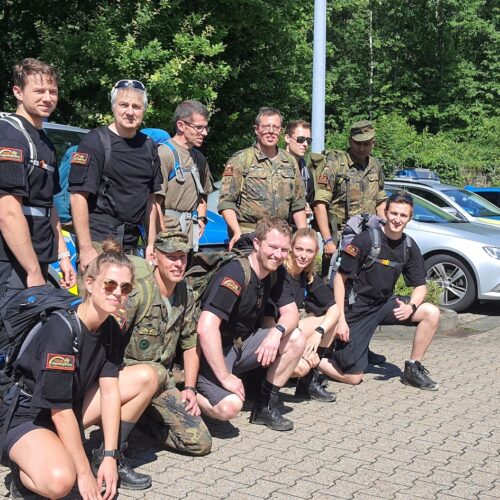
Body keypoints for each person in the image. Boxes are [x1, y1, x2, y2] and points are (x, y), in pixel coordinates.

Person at [0, 241, 158, 499]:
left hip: (68, 404)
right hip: (28, 414)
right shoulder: (61, 330)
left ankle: (84, 454)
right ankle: (22, 473)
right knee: (61, 481)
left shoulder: (111, 328)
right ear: (91, 283)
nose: (117, 293)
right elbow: (60, 412)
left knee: (147, 376)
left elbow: (109, 392)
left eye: (125, 287)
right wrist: (84, 475)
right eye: (109, 284)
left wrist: (109, 456)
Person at [321, 192, 440, 390]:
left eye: (403, 215)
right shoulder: (365, 240)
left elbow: (420, 285)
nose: (397, 219)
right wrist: (340, 319)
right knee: (353, 377)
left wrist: (411, 306)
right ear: (385, 212)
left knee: (431, 312)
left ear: (410, 218)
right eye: (394, 213)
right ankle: (312, 359)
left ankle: (413, 368)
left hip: (383, 305)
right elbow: (340, 280)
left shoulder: (409, 246)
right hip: (356, 309)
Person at [196, 218, 305, 431]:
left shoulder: (276, 271)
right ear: (257, 243)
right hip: (214, 349)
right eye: (272, 247)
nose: (278, 255)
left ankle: (265, 407)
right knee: (230, 407)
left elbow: (292, 314)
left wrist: (276, 333)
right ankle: (181, 393)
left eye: (284, 250)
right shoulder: (236, 273)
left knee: (295, 338)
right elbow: (206, 327)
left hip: (242, 344)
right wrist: (225, 377)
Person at [123, 230, 212, 456]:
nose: (178, 264)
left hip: (161, 382)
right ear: (154, 257)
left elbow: (190, 343)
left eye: (182, 257)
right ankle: (118, 427)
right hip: (128, 379)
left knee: (200, 443)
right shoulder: (137, 293)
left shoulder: (185, 293)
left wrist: (190, 388)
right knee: (156, 372)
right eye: (171, 257)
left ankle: (140, 421)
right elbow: (109, 342)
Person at [0, 58, 76, 294]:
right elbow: (8, 213)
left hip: (38, 255)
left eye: (52, 91)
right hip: (10, 263)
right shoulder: (10, 137)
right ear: (18, 92)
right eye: (39, 91)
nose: (47, 98)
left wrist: (62, 255)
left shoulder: (44, 140)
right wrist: (32, 271)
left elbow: (48, 204)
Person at [69, 79, 162, 271]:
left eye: (136, 106)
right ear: (113, 107)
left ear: (144, 110)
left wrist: (151, 243)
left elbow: (151, 199)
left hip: (134, 243)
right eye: (124, 105)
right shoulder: (95, 141)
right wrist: (86, 249)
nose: (130, 112)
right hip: (100, 242)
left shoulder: (149, 146)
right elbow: (78, 196)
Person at [218, 107, 307, 250]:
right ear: (256, 129)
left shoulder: (289, 162)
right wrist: (236, 231)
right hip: (250, 237)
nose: (271, 131)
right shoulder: (242, 160)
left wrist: (303, 237)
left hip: (280, 238)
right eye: (266, 127)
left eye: (275, 127)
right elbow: (226, 202)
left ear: (280, 131)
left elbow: (298, 204)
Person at [314, 120, 387, 272]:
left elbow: (380, 201)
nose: (361, 148)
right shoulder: (336, 165)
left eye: (366, 144)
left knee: (368, 277)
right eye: (357, 143)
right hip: (342, 236)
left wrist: (385, 231)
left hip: (369, 235)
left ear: (373, 143)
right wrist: (328, 240)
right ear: (350, 141)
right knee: (337, 278)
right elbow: (320, 204)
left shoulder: (375, 165)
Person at [276, 228, 339, 402]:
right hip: (274, 333)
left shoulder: (307, 275)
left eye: (309, 251)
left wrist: (318, 333)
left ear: (316, 252)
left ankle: (308, 383)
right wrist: (302, 347)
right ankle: (267, 390)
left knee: (332, 321)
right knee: (300, 367)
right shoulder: (280, 272)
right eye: (299, 249)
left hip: (291, 332)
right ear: (291, 247)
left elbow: (334, 307)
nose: (303, 256)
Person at [155, 100, 213, 251]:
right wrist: (163, 236)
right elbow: (155, 203)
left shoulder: (199, 158)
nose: (204, 133)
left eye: (206, 127)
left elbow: (203, 194)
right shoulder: (164, 154)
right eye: (199, 128)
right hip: (168, 232)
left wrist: (201, 219)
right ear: (181, 125)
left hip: (190, 234)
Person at [284, 120, 314, 224]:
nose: (305, 144)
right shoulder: (275, 168)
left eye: (308, 141)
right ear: (287, 138)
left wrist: (308, 210)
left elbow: (310, 201)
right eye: (300, 139)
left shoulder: (307, 173)